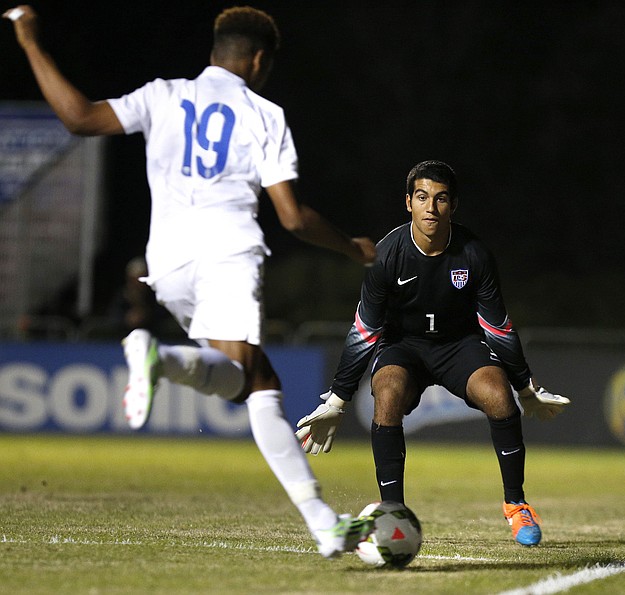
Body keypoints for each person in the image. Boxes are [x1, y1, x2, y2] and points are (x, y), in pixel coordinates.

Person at [4, 5, 376, 558]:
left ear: (214, 51)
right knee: (255, 383)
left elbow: (79, 117)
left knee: (255, 382)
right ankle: (159, 357)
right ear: (257, 60)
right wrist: (351, 248)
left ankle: (324, 522)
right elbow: (293, 218)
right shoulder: (263, 113)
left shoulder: (162, 94)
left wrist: (31, 43)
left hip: (168, 260)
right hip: (227, 250)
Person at [294, 160, 570, 546]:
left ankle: (516, 504)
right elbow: (365, 331)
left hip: (459, 346)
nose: (431, 208)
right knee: (387, 394)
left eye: (440, 199)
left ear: (453, 206)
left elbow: (498, 327)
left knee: (498, 395)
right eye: (422, 197)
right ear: (408, 202)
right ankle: (394, 516)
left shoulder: (474, 254)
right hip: (403, 347)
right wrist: (338, 401)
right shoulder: (386, 256)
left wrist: (524, 388)